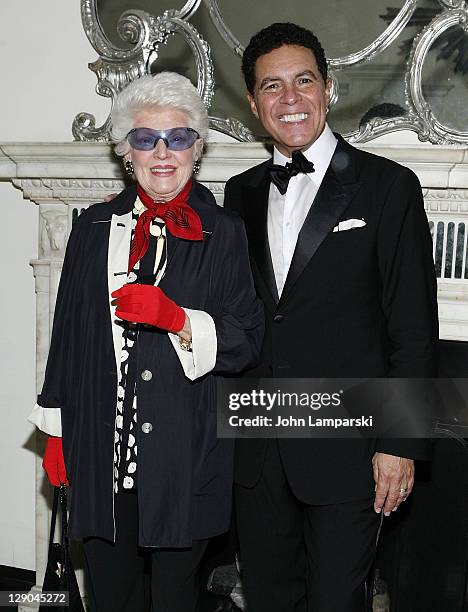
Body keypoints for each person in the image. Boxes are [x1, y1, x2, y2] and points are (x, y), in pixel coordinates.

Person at [28, 72, 264, 612]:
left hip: (185, 456)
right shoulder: (91, 225)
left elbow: (247, 339)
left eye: (178, 137)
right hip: (100, 454)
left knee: (175, 600)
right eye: (145, 138)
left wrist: (179, 319)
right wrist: (58, 434)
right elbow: (67, 335)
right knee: (110, 596)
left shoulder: (223, 230)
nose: (162, 152)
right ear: (124, 150)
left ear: (197, 148)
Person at [223, 23, 438, 612]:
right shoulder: (237, 194)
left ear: (329, 88)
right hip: (259, 447)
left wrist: (399, 442)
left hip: (350, 448)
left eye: (303, 81)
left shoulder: (389, 187)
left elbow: (413, 328)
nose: (289, 98)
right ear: (254, 103)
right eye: (272, 86)